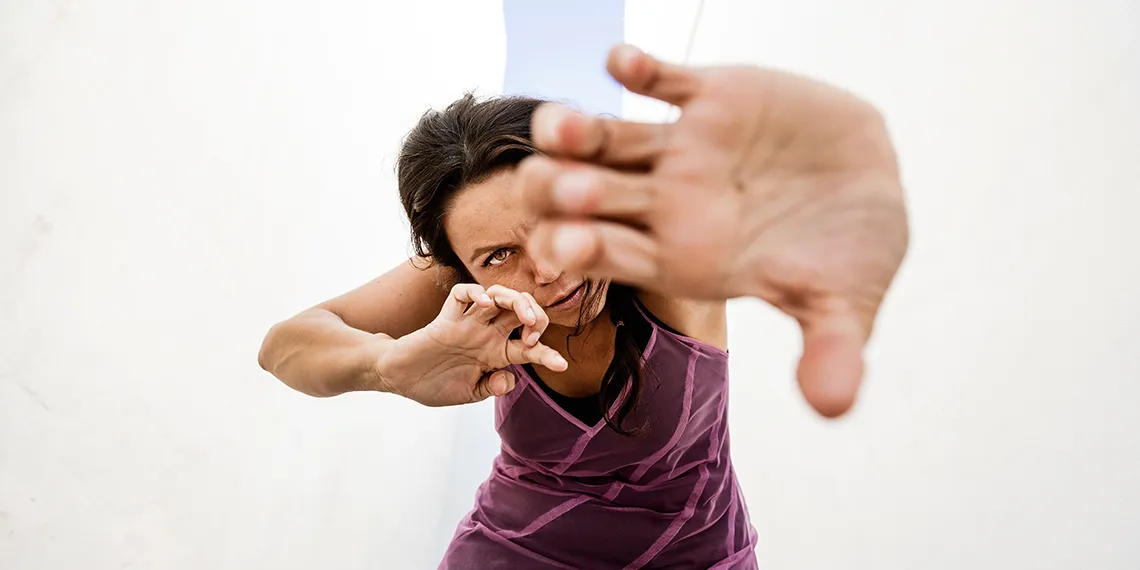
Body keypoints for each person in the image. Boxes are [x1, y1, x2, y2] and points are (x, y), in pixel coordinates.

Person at [258, 45, 907, 569]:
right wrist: (388, 364)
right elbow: (286, 344)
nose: (544, 269)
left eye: (547, 219)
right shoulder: (461, 275)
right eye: (497, 257)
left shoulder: (661, 257)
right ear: (463, 266)